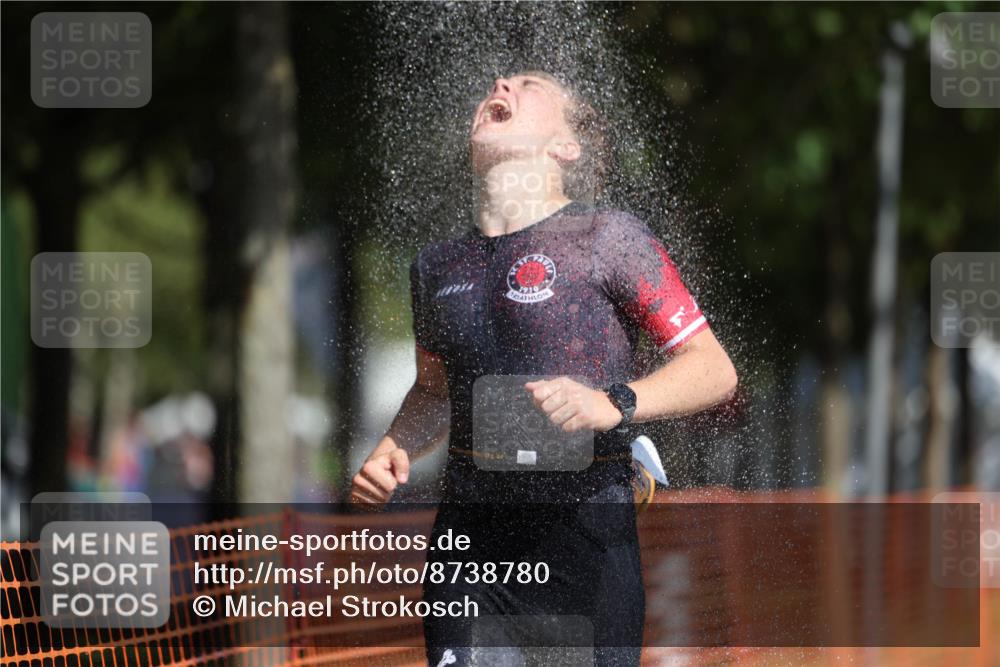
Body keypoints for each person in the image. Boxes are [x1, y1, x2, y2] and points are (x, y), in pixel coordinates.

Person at [350, 71, 738, 666]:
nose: (501, 83)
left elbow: (713, 368)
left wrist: (614, 403)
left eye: (529, 85)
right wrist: (391, 447)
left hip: (584, 548)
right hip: (470, 548)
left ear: (566, 146)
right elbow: (433, 391)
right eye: (501, 82)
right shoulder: (435, 265)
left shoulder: (607, 238)